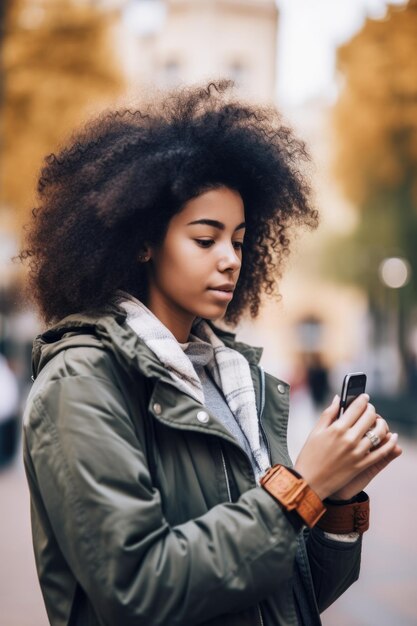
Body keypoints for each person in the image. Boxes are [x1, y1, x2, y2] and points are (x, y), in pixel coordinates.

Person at [20, 80, 401, 626]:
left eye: (240, 241)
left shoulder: (232, 379)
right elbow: (136, 592)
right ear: (144, 240)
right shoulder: (81, 381)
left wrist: (336, 500)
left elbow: (290, 594)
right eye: (206, 239)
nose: (230, 260)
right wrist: (300, 488)